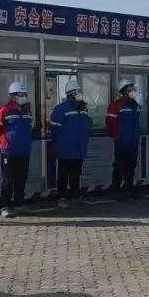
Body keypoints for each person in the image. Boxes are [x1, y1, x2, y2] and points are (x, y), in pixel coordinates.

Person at [0, 81, 34, 218]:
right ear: (13, 96)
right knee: (8, 180)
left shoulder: (27, 111)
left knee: (21, 179)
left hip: (24, 150)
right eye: (21, 95)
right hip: (8, 151)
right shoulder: (5, 110)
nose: (24, 97)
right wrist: (3, 143)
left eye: (24, 94)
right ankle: (5, 206)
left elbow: (30, 127)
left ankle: (19, 204)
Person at [49, 79, 92, 207]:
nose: (79, 93)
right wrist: (59, 143)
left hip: (79, 149)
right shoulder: (61, 109)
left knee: (76, 175)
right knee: (63, 175)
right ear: (71, 94)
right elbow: (54, 128)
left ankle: (75, 196)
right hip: (65, 149)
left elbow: (87, 125)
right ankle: (61, 198)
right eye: (77, 91)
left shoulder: (83, 109)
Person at [106, 79, 143, 198]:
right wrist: (116, 135)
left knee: (131, 166)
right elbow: (110, 122)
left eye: (133, 89)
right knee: (119, 166)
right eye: (130, 89)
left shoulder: (136, 105)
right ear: (123, 92)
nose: (133, 91)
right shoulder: (116, 105)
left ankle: (129, 188)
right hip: (122, 141)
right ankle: (115, 190)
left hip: (133, 141)